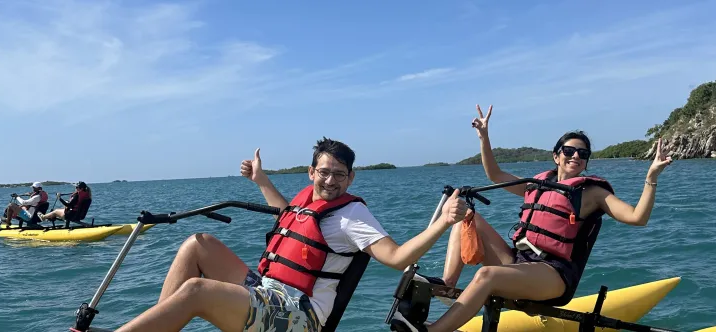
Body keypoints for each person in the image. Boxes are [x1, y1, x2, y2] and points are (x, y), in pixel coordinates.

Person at [115, 137, 469, 332]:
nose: (331, 181)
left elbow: (397, 258)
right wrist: (261, 180)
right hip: (267, 291)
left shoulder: (351, 215)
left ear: (351, 179)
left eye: (340, 175)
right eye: (325, 172)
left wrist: (443, 222)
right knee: (198, 244)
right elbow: (290, 217)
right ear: (311, 172)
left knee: (196, 290)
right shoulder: (306, 202)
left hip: (300, 315)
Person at [391, 104, 674, 332]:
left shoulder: (593, 193)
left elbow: (638, 218)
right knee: (468, 215)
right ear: (556, 156)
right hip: (519, 262)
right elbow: (496, 175)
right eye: (569, 151)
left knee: (486, 275)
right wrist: (485, 138)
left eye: (582, 153)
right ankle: (447, 284)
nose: (575, 155)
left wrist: (651, 178)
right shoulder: (538, 184)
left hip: (553, 275)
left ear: (586, 161)